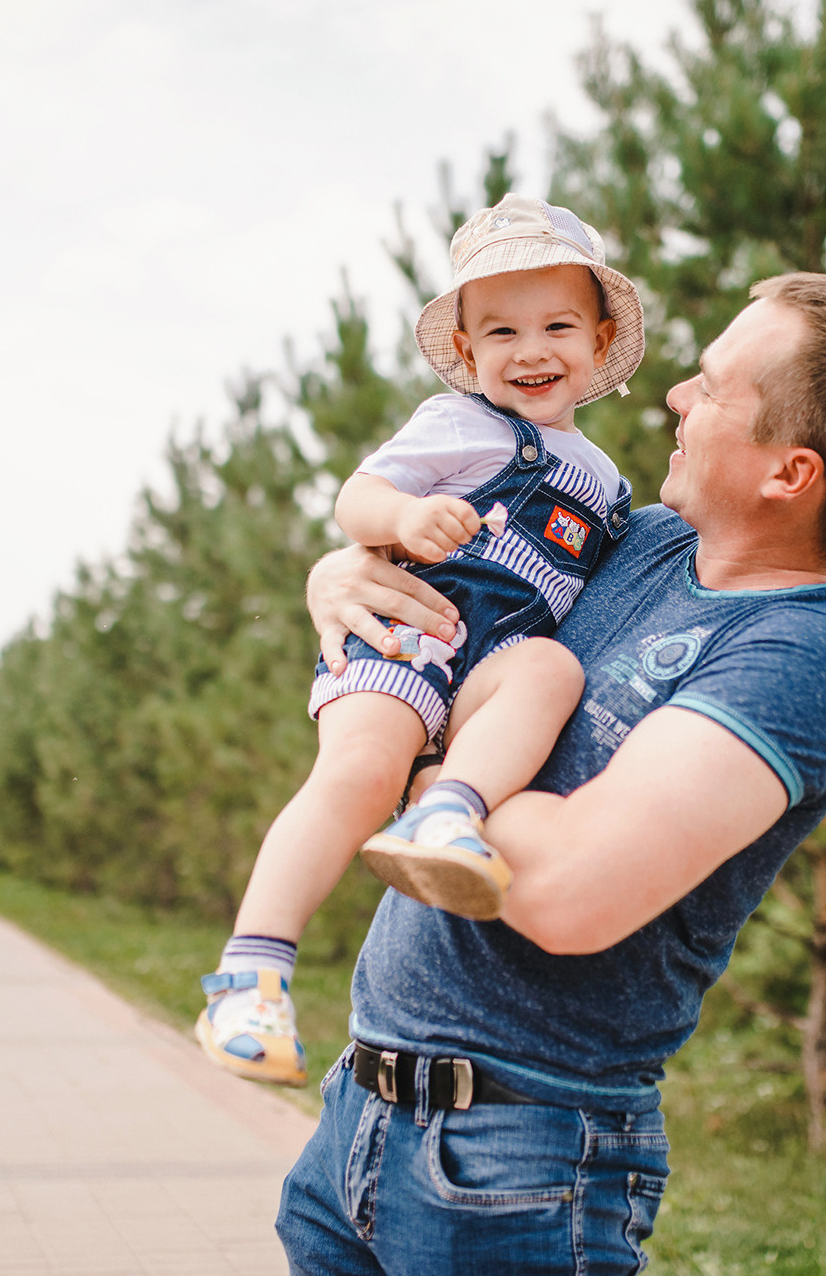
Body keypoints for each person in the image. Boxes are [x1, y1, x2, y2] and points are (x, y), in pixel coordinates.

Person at [277, 272, 826, 1273]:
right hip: (357, 1114)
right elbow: (431, 611)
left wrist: (428, 774)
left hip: (517, 1160)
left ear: (789, 474)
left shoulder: (796, 659)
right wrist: (340, 575)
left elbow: (563, 894)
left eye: (713, 389)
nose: (676, 395)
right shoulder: (623, 543)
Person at [196, 195, 648, 1088]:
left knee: (547, 666)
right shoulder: (454, 425)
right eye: (501, 332)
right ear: (467, 352)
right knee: (358, 772)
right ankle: (250, 975)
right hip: (407, 633)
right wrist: (403, 514)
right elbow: (355, 500)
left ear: (599, 344)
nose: (530, 351)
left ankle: (452, 805)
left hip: (487, 667)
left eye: (557, 324)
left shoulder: (605, 480)